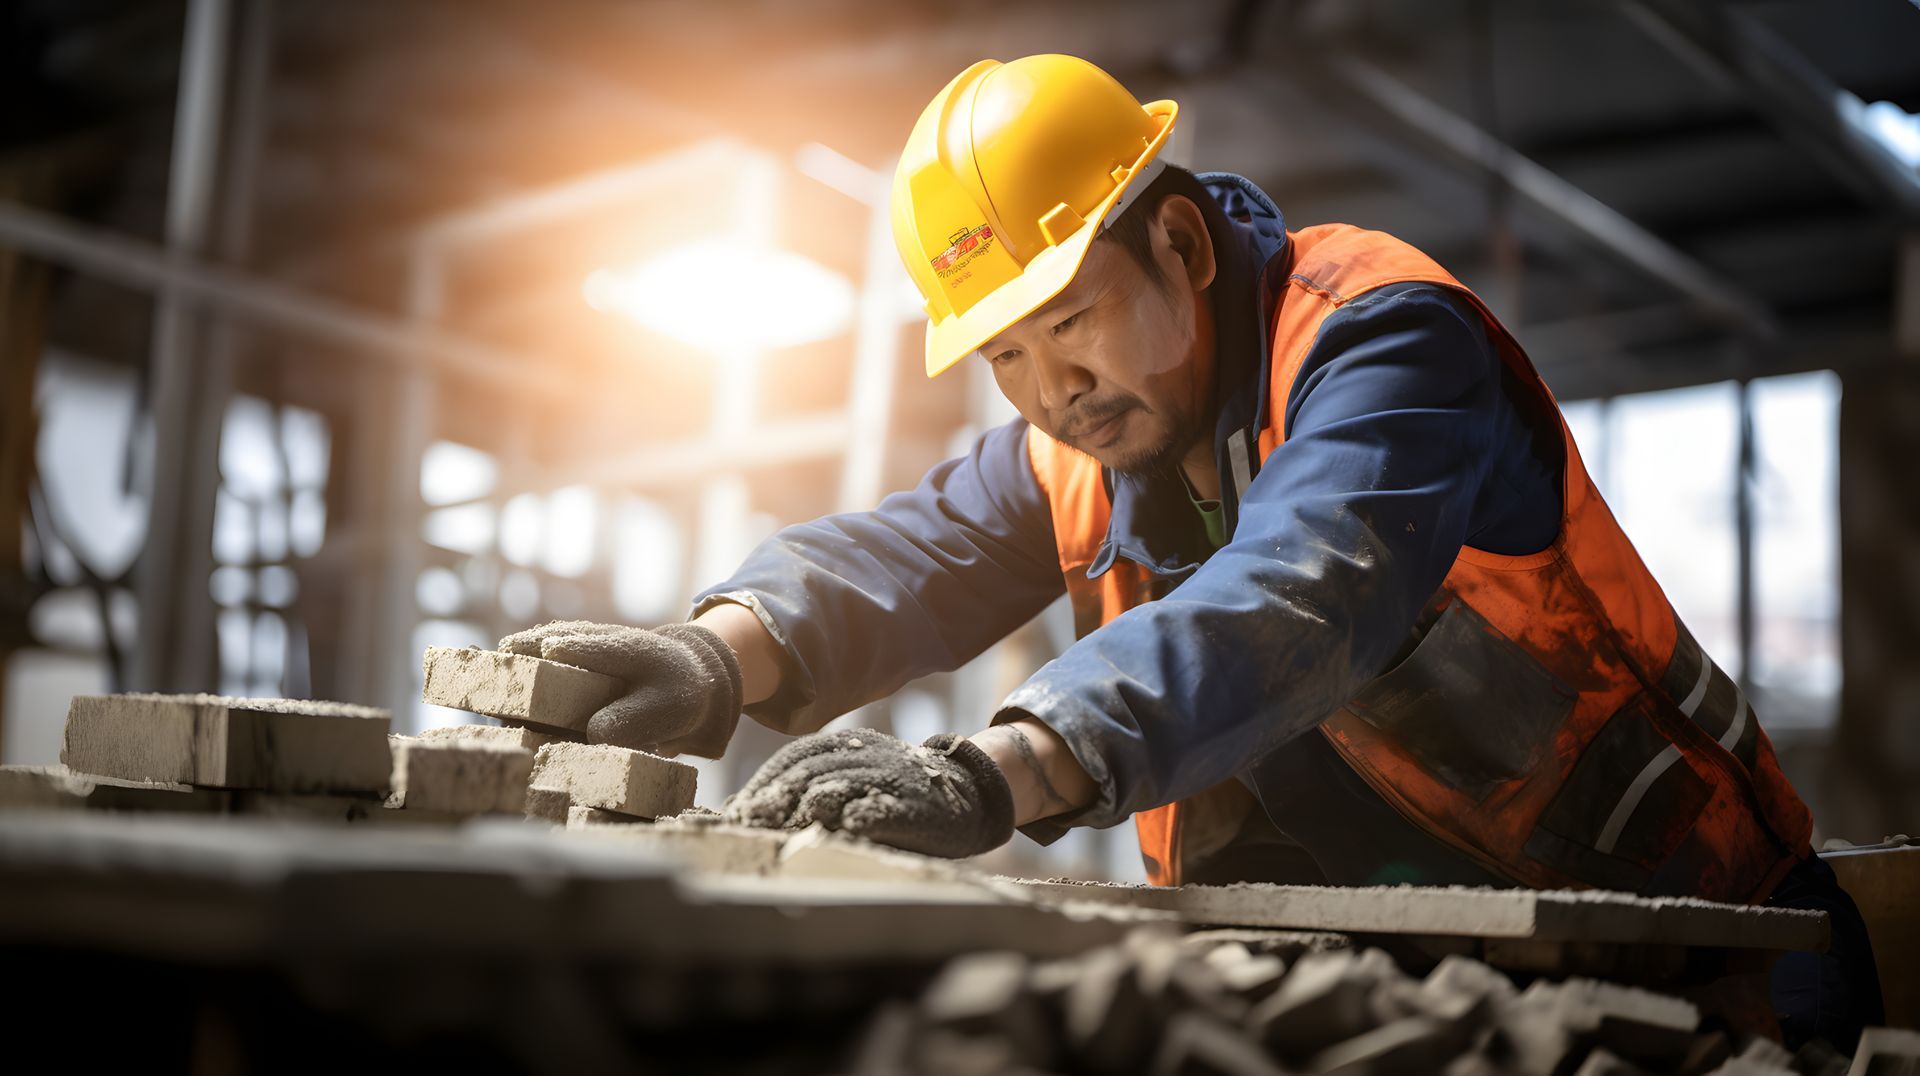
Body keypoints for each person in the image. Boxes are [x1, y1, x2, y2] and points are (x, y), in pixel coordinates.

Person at [500, 55, 1880, 1049]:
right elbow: (913, 552)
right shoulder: (1089, 443)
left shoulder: (1385, 342)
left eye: (1073, 322)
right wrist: (717, 653)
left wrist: (1003, 770)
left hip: (1715, 963)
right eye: (1007, 355)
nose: (1051, 389)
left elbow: (1304, 585)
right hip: (1427, 994)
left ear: (1180, 242)